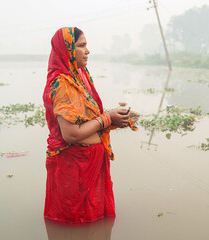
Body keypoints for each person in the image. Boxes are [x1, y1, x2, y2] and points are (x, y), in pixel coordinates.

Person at [42, 27, 136, 224]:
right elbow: (71, 134)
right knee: (74, 224)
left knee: (93, 223)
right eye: (81, 46)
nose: (88, 51)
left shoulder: (80, 75)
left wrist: (117, 118)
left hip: (90, 164)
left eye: (87, 45)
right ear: (67, 50)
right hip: (73, 168)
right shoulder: (62, 83)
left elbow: (88, 119)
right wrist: (107, 119)